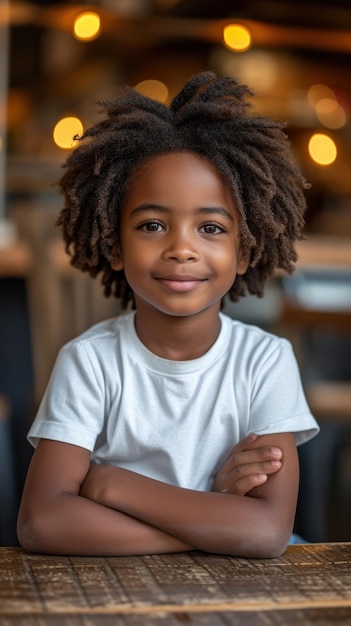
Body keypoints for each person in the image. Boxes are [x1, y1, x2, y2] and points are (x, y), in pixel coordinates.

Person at [17, 71, 319, 558]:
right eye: (153, 224)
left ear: (244, 253)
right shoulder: (89, 362)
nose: (182, 248)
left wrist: (113, 485)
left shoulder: (265, 361)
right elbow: (42, 522)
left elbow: (266, 533)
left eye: (211, 228)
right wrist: (213, 522)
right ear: (114, 246)